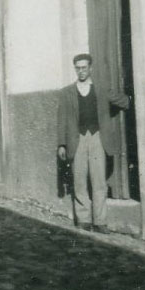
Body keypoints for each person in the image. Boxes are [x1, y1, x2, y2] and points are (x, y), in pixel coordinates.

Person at [56, 53, 129, 233]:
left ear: (90, 68)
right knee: (79, 180)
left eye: (84, 67)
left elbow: (122, 101)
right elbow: (62, 119)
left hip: (97, 138)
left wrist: (129, 100)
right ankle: (84, 219)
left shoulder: (101, 89)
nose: (81, 71)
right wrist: (61, 144)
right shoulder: (66, 92)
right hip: (77, 139)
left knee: (99, 181)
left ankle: (100, 221)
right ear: (75, 69)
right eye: (78, 68)